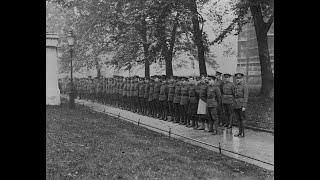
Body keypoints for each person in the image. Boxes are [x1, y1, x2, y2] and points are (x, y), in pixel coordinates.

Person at [233, 73, 248, 137]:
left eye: (239, 78)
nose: (238, 80)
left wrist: (244, 106)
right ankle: (239, 132)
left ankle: (243, 133)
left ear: (242, 79)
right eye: (237, 78)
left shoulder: (244, 86)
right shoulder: (235, 86)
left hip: (241, 105)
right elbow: (234, 96)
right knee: (238, 119)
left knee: (242, 119)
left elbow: (246, 97)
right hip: (236, 105)